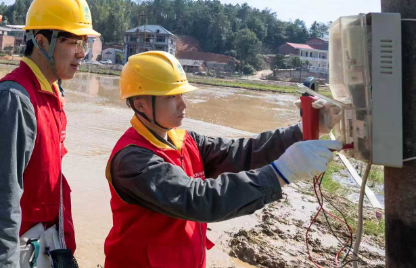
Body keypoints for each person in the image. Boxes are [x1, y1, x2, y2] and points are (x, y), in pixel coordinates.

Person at [104, 51, 342, 268]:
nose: (183, 104)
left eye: (182, 95)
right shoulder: (133, 160)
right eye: (170, 97)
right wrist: (280, 173)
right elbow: (199, 199)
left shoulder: (186, 141)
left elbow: (242, 152)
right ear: (140, 104)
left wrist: (303, 130)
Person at [0, 0, 99, 267]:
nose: (81, 53)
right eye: (73, 42)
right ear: (41, 41)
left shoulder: (50, 93)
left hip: (44, 247)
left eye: (84, 43)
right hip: (20, 253)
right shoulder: (13, 100)